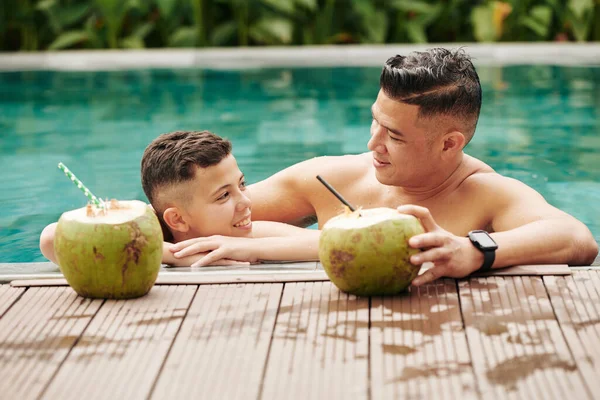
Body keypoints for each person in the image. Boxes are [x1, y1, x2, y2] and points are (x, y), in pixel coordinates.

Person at [246, 47, 598, 286]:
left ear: (449, 143)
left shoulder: (485, 194)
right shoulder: (330, 178)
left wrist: (474, 252)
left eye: (394, 137)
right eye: (374, 122)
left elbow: (577, 239)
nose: (373, 144)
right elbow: (208, 214)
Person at [40, 130, 320, 267]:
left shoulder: (240, 235)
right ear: (177, 219)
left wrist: (247, 249)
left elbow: (323, 242)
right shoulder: (145, 229)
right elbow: (52, 238)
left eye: (241, 184)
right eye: (224, 195)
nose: (246, 202)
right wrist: (174, 256)